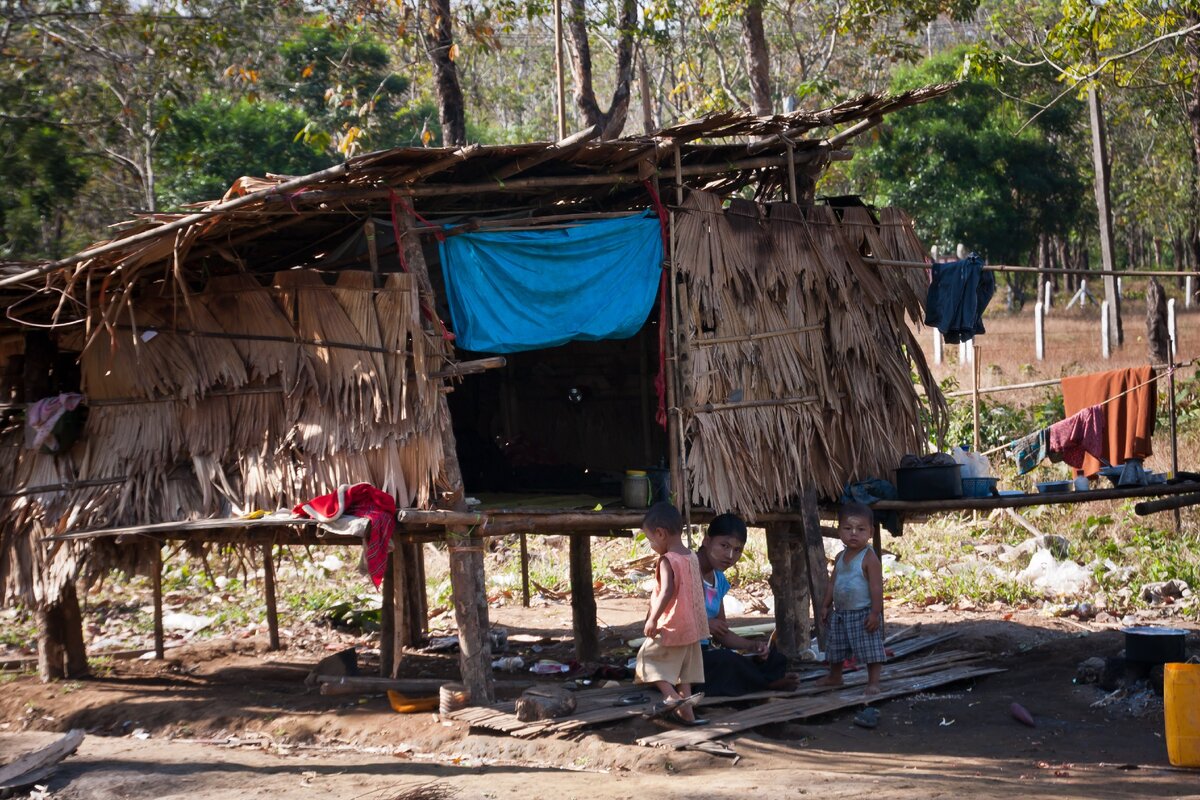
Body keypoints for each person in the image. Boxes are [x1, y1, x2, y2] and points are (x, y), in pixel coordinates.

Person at [696, 513, 799, 695]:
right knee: (726, 662)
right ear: (706, 540)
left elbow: (722, 635)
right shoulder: (685, 570)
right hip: (681, 658)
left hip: (705, 655)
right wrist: (704, 624)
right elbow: (664, 622)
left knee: (775, 659)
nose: (730, 556)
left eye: (737, 550)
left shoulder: (718, 579)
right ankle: (764, 684)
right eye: (724, 546)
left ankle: (758, 680)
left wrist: (751, 646)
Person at [635, 501, 709, 725]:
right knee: (683, 673)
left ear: (660, 533)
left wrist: (653, 619)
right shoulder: (692, 557)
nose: (652, 545)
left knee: (646, 659)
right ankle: (688, 715)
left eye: (651, 540)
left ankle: (672, 698)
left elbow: (667, 590)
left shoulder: (668, 560)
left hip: (674, 624)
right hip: (693, 625)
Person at [817, 502, 886, 695]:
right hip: (841, 614)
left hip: (863, 613)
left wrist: (875, 612)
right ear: (839, 531)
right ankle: (835, 676)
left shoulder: (869, 558)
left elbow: (876, 587)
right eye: (848, 528)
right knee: (836, 647)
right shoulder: (840, 556)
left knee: (870, 648)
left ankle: (873, 682)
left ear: (871, 532)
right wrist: (825, 605)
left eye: (860, 529)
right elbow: (833, 583)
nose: (853, 533)